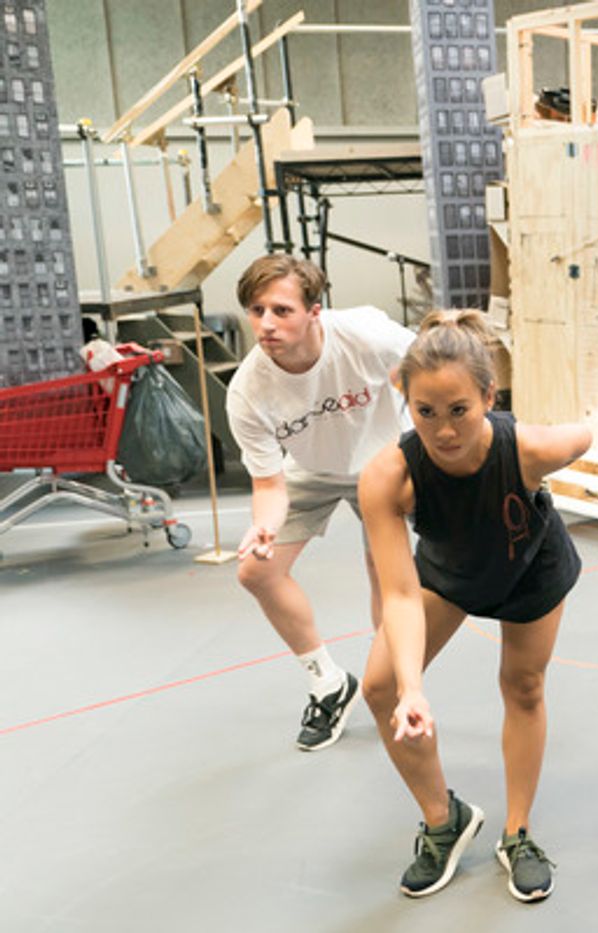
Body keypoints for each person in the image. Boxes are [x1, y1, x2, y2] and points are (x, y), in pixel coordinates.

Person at [357, 310, 591, 903]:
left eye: (459, 410)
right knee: (381, 686)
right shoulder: (389, 477)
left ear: (489, 395)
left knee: (523, 685)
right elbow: (401, 594)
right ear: (403, 398)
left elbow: (583, 435)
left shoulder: (530, 449)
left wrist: (574, 440)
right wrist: (413, 688)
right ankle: (444, 819)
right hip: (450, 571)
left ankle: (518, 833)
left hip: (528, 567)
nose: (443, 431)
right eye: (425, 412)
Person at [227, 254, 415, 751]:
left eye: (281, 311)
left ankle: (391, 687)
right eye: (256, 309)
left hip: (381, 460)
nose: (266, 324)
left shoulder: (364, 334)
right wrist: (263, 528)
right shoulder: (247, 391)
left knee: (385, 573)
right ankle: (328, 681)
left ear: (314, 311)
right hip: (312, 469)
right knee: (255, 571)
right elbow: (268, 486)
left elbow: (431, 368)